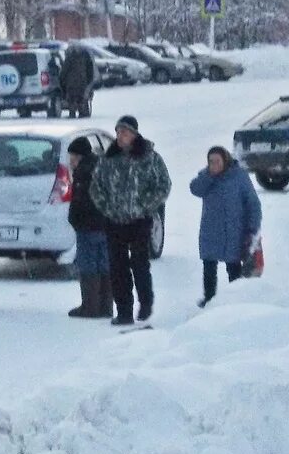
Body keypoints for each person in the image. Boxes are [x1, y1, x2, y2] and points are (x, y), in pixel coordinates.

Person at [90, 115, 171, 325]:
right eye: (118, 132)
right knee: (118, 269)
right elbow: (96, 187)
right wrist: (107, 208)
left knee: (139, 264)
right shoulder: (108, 158)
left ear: (134, 134)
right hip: (114, 222)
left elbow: (163, 185)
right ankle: (124, 311)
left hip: (139, 221)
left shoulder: (149, 157)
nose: (120, 136)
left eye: (124, 132)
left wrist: (146, 206)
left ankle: (145, 302)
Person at [190, 146, 262, 307]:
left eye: (217, 161)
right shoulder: (206, 177)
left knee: (233, 267)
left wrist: (253, 227)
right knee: (209, 266)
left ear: (225, 160)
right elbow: (195, 189)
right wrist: (208, 176)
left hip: (233, 231)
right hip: (211, 231)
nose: (214, 164)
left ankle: (234, 301)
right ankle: (209, 298)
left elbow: (253, 203)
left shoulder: (239, 177)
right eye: (211, 161)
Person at [66, 136, 111, 318]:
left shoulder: (83, 173)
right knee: (104, 265)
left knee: (88, 266)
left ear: (80, 156)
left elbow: (80, 203)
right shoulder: (102, 167)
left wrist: (75, 220)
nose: (71, 161)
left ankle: (90, 307)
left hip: (88, 227)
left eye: (73, 157)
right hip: (106, 226)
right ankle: (106, 306)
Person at [59, 44, 97, 116]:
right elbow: (90, 70)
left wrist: (62, 80)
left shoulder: (70, 57)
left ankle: (72, 114)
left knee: (72, 99)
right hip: (83, 83)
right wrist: (89, 80)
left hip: (71, 83)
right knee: (81, 98)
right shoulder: (85, 57)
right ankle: (83, 113)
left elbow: (64, 71)